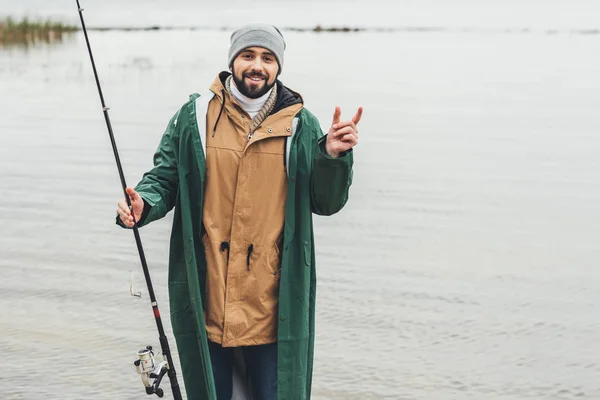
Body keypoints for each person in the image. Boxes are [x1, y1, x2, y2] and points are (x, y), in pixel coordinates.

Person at [116, 23, 362, 400]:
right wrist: (143, 204)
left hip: (272, 304)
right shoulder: (194, 116)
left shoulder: (301, 124)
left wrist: (332, 155)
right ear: (233, 60)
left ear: (278, 66)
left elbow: (325, 203)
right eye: (248, 55)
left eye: (267, 58)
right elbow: (164, 177)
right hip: (208, 296)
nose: (257, 65)